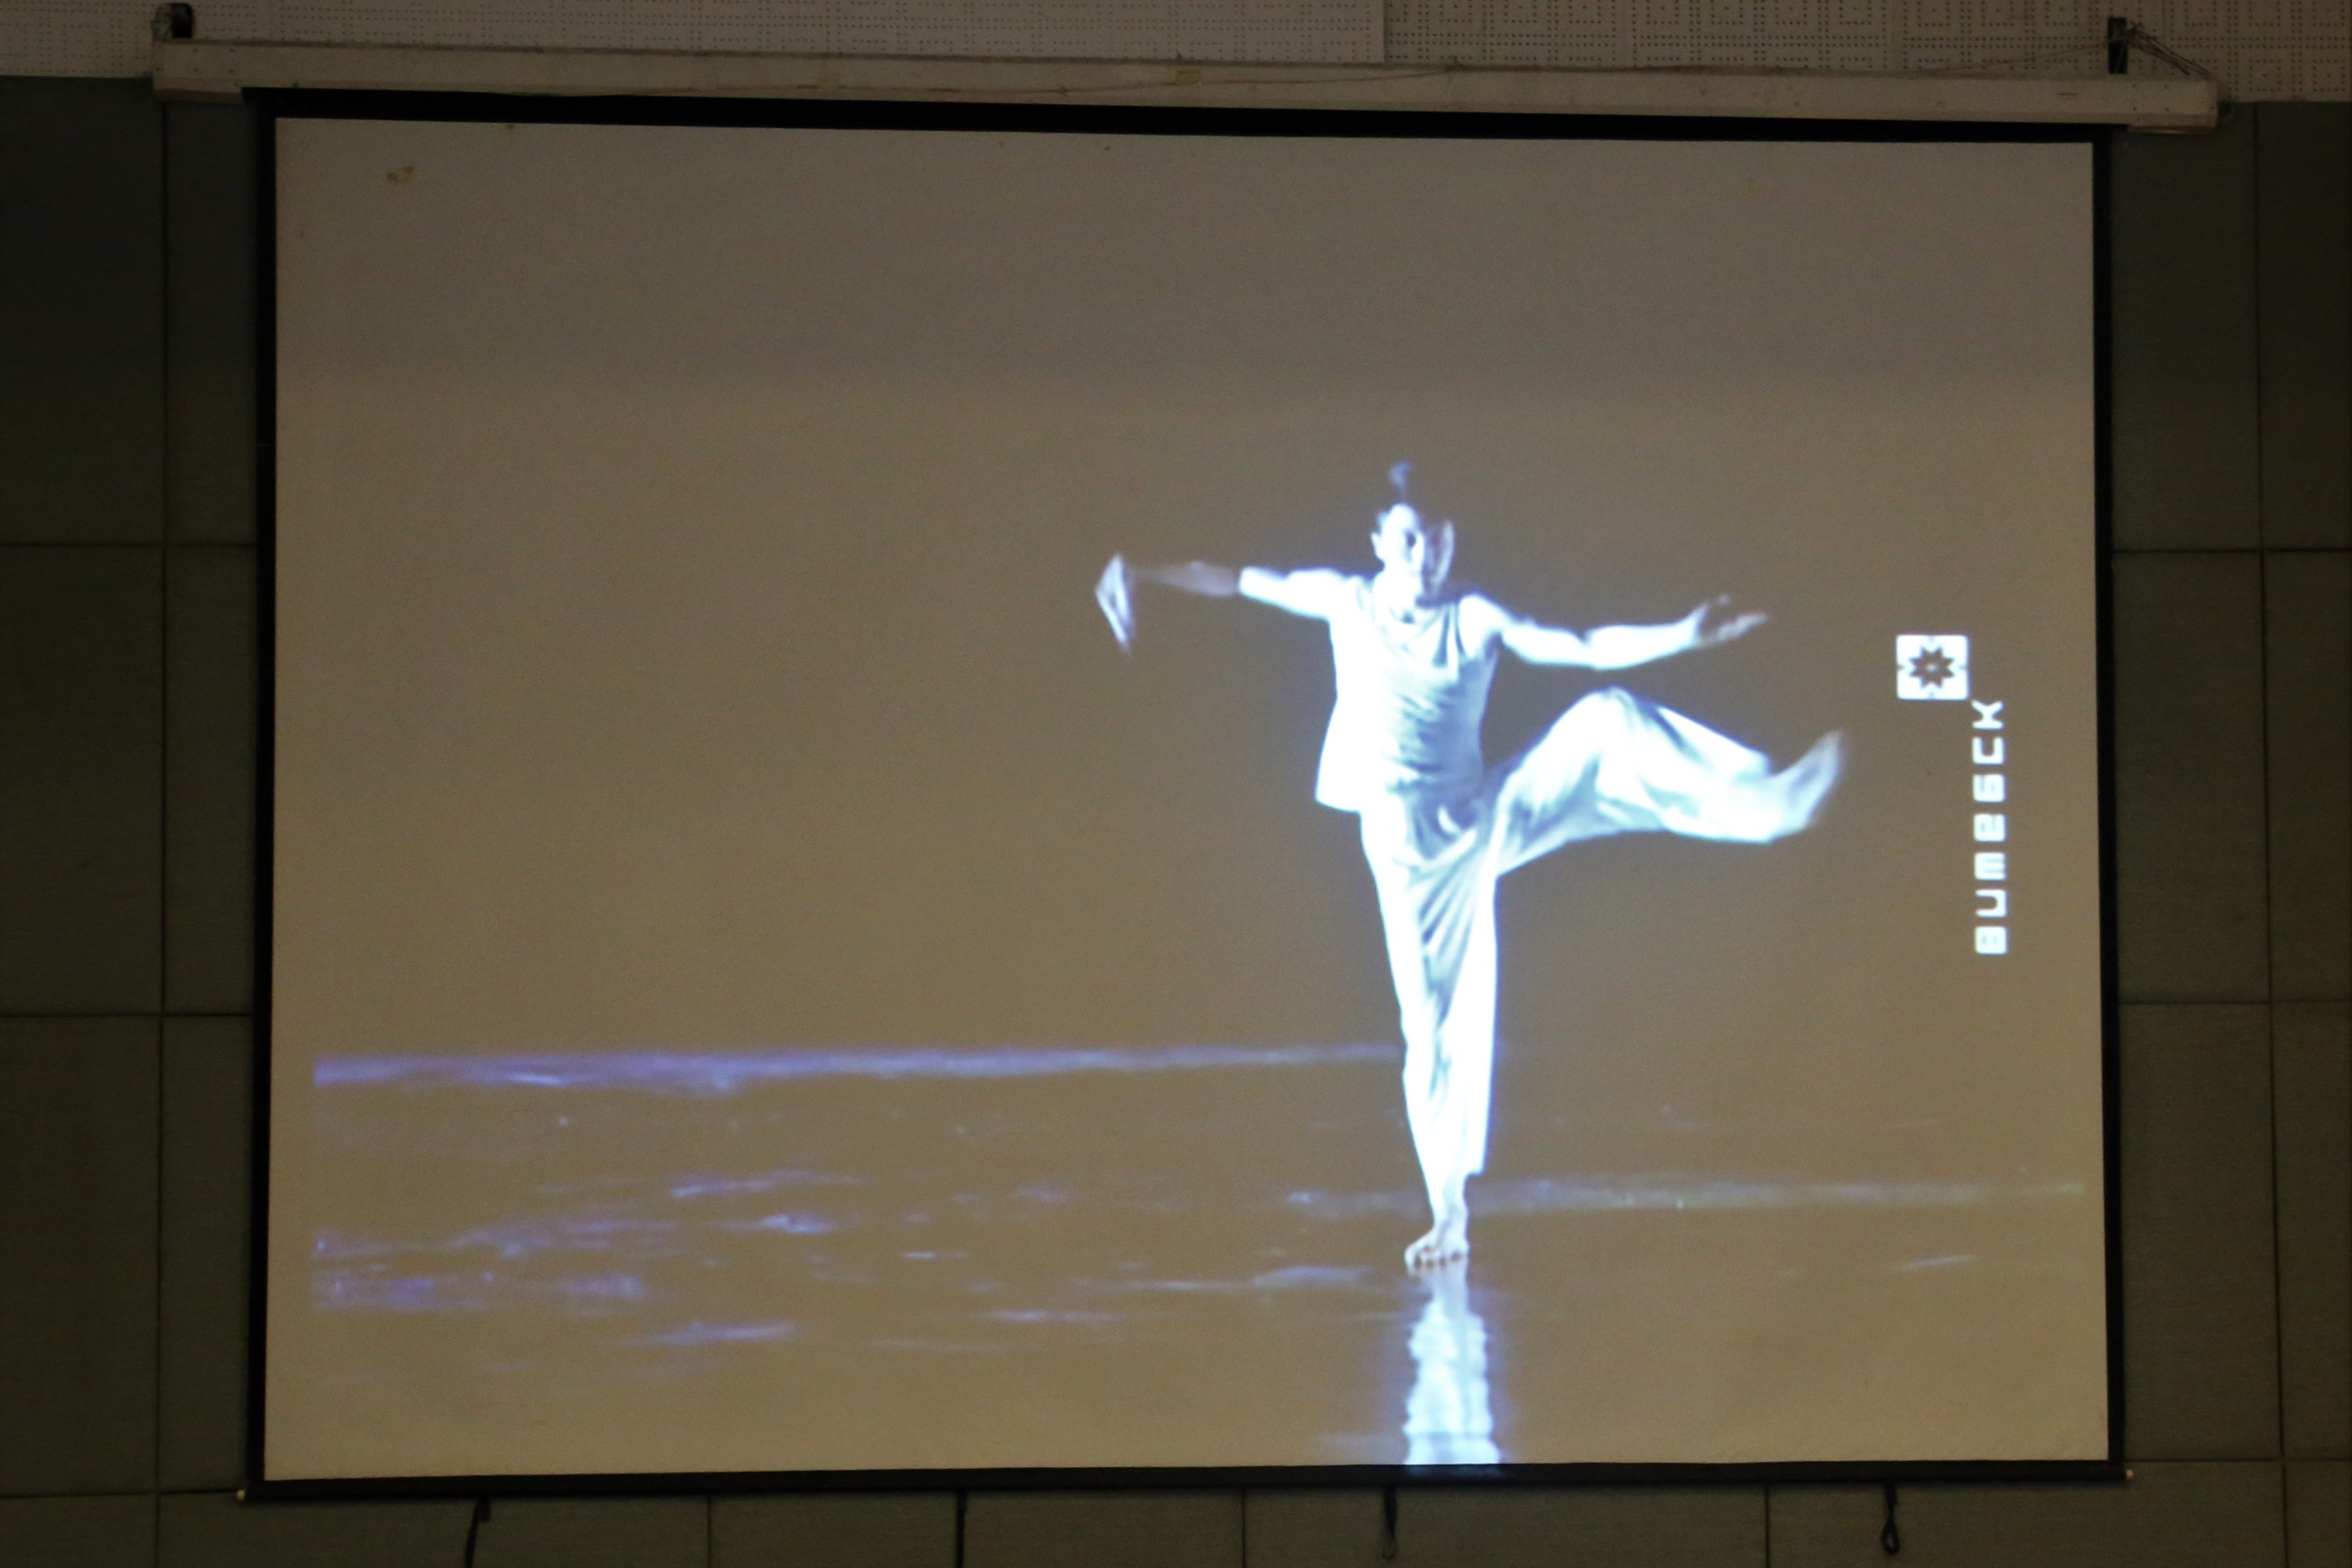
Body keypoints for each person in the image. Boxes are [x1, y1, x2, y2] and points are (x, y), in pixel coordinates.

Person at [1096, 470, 1843, 1270]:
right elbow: (1237, 578)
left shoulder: (1474, 614)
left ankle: (1773, 803)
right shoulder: (1345, 601)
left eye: (1438, 540)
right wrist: (1140, 570)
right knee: (1432, 1032)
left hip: (1483, 816)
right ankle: (1447, 1213)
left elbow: (1580, 645)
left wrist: (1683, 633)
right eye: (1408, 539)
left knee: (1607, 720)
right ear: (1379, 542)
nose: (1424, 555)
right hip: (1410, 854)